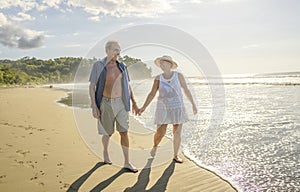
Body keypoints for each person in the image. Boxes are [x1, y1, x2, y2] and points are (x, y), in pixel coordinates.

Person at [89, 40, 138, 172]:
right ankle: (105, 151)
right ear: (107, 51)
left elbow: (128, 86)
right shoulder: (98, 65)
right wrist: (94, 106)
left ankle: (127, 162)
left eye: (119, 50)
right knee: (107, 133)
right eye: (116, 49)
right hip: (106, 102)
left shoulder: (122, 65)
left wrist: (134, 102)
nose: (118, 52)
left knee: (124, 132)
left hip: (122, 103)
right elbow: (92, 86)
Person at [138, 55, 197, 163]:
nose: (162, 65)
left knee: (177, 132)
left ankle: (175, 155)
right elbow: (152, 94)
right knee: (161, 132)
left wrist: (193, 103)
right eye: (161, 63)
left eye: (164, 62)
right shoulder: (158, 78)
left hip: (177, 107)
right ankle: (155, 146)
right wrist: (143, 107)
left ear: (170, 64)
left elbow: (186, 90)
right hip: (162, 108)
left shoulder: (178, 76)